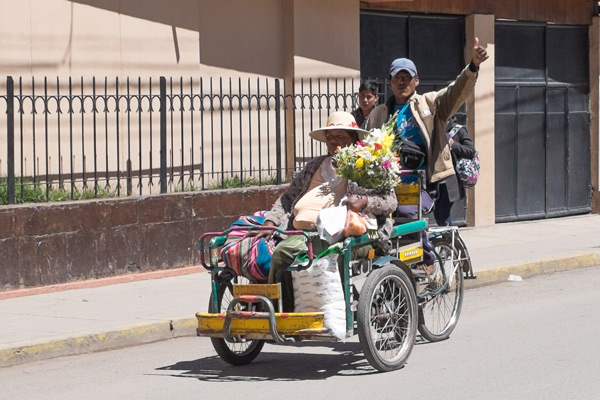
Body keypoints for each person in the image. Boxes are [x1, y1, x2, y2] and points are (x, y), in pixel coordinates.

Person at [366, 37, 489, 274]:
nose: (402, 82)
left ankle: (427, 258)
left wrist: (473, 66)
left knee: (408, 212)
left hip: (424, 183)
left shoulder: (429, 103)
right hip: (389, 184)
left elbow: (455, 92)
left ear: (416, 81)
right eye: (397, 78)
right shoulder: (378, 114)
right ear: (390, 82)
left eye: (407, 77)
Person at [262, 111, 397, 311]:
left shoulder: (368, 165)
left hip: (352, 233)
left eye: (340, 137)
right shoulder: (314, 166)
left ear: (353, 139)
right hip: (303, 232)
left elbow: (390, 202)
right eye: (330, 137)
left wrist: (364, 201)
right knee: (277, 254)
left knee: (299, 252)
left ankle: (334, 312)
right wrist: (271, 220)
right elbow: (287, 198)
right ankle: (281, 312)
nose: (334, 142)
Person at [433, 116, 477, 226]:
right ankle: (448, 235)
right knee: (437, 213)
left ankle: (450, 235)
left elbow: (470, 151)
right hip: (437, 179)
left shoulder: (458, 130)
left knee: (443, 213)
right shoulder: (433, 130)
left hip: (452, 180)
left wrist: (453, 143)